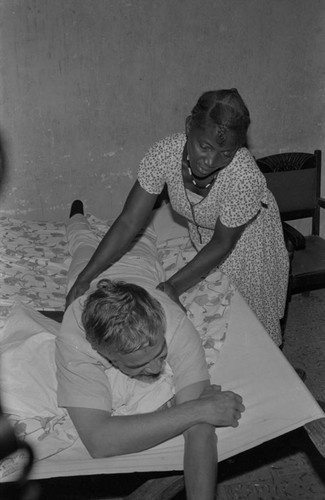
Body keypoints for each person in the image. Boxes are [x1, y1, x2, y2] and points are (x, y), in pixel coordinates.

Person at [65, 89, 289, 345]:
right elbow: (129, 221)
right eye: (204, 146)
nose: (211, 160)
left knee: (247, 321)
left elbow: (222, 243)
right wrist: (85, 278)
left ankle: (267, 369)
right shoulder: (165, 154)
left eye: (226, 153)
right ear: (188, 127)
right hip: (210, 235)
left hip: (249, 242)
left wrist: (172, 285)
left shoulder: (243, 176)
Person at [56, 202, 245, 500]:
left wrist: (198, 416)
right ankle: (76, 215)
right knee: (81, 242)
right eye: (138, 366)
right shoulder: (75, 337)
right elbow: (100, 441)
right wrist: (199, 408)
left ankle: (126, 212)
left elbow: (200, 432)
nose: (157, 369)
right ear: (103, 354)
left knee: (142, 237)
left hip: (141, 268)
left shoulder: (174, 323)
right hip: (87, 274)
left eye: (160, 354)